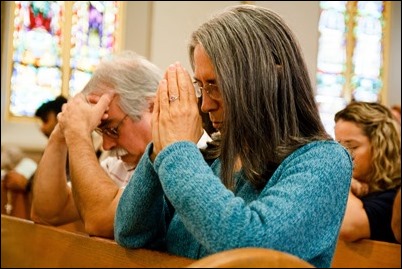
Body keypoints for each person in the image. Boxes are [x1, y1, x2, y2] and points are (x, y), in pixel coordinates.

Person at [114, 5, 352, 268]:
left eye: (215, 85)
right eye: (201, 86)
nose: (205, 105)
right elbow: (131, 232)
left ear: (268, 78)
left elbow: (251, 245)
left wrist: (178, 151)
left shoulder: (324, 161)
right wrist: (160, 149)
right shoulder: (212, 158)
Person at [31, 50, 212, 239]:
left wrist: (78, 133)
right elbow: (48, 212)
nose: (107, 146)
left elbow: (100, 221)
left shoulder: (194, 158)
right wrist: (62, 130)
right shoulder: (120, 167)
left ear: (153, 105)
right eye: (100, 132)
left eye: (112, 128)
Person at [334, 101, 401, 243]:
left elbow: (349, 227)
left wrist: (344, 182)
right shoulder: (356, 188)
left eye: (351, 146)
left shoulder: (393, 195)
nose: (342, 155)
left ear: (380, 146)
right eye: (338, 147)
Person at [2, 96, 68, 194]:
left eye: (46, 121)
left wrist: (26, 184)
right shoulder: (54, 146)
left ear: (60, 117)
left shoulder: (71, 147)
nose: (42, 128)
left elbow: (63, 187)